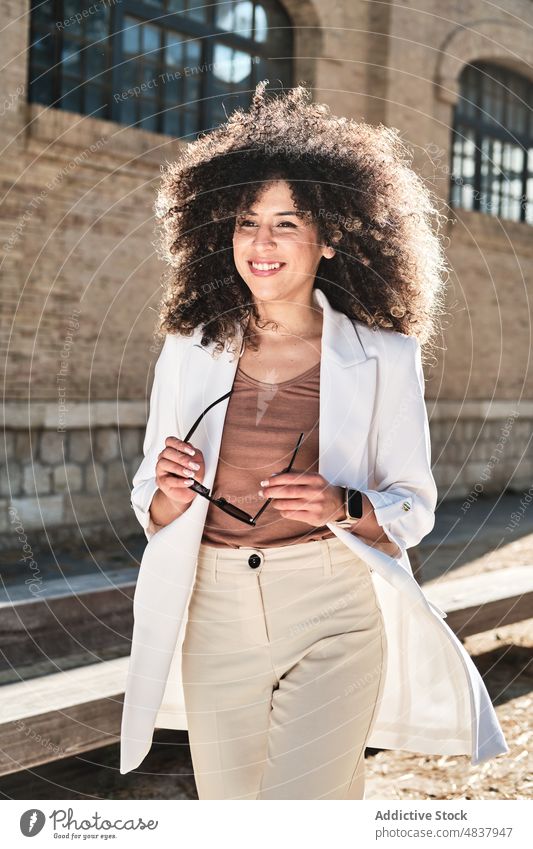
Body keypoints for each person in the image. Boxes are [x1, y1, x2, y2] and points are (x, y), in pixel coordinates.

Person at [120, 81, 508, 797]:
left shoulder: (383, 357)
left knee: (300, 812)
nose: (260, 244)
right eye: (245, 222)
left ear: (330, 237)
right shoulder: (186, 350)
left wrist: (342, 501)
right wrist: (168, 496)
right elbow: (150, 492)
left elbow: (411, 507)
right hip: (212, 607)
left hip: (331, 608)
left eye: (286, 224)